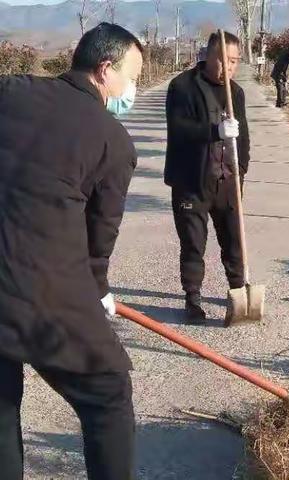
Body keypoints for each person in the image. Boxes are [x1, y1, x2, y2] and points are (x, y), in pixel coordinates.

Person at [0, 23, 143, 480]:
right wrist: (98, 290)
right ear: (105, 70)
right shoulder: (113, 141)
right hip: (40, 295)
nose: (133, 89)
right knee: (109, 391)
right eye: (133, 77)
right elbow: (98, 243)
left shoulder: (10, 90)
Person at [165, 31, 250, 324]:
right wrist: (215, 131)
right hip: (191, 182)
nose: (230, 67)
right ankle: (193, 299)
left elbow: (245, 139)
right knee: (193, 244)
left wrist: (241, 172)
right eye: (224, 59)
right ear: (208, 56)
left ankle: (239, 290)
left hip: (227, 182)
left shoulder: (236, 92)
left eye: (235, 61)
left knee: (234, 241)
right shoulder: (182, 87)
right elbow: (179, 130)